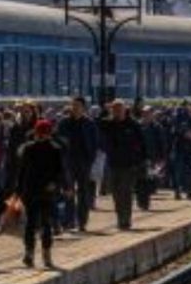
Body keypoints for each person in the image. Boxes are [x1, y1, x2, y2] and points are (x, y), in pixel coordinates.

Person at [17, 120, 68, 268]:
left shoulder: (29, 148)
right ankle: (43, 255)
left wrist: (18, 189)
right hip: (44, 191)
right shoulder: (54, 148)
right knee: (43, 223)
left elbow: (22, 172)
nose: (41, 136)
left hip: (33, 190)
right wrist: (59, 184)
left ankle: (31, 253)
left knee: (32, 224)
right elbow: (60, 171)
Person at [100, 100, 146, 230]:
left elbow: (142, 144)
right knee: (116, 193)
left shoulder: (133, 125)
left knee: (126, 192)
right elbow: (97, 123)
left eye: (119, 110)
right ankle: (120, 217)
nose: (117, 113)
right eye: (114, 110)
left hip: (129, 165)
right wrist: (105, 110)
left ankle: (125, 219)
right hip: (113, 163)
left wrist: (141, 160)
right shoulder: (108, 124)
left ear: (125, 110)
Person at [56, 96, 99, 231]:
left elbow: (94, 143)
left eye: (77, 106)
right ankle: (69, 221)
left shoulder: (89, 124)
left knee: (83, 192)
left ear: (83, 108)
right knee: (68, 191)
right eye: (73, 106)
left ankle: (82, 221)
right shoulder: (64, 123)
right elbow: (58, 140)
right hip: (68, 161)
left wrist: (90, 159)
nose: (74, 108)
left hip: (83, 162)